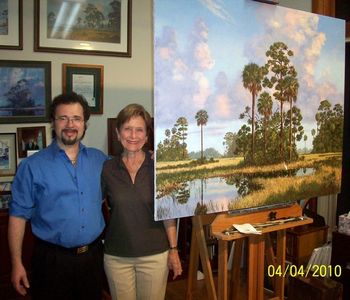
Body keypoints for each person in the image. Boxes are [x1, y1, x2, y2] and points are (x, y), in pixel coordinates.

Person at [8, 92, 108, 300]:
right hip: (52, 262)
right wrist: (17, 263)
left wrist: (147, 156)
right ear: (53, 123)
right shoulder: (32, 167)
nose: (70, 124)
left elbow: (127, 171)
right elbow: (17, 217)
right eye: (63, 118)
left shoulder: (100, 161)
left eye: (77, 118)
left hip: (93, 258)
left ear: (85, 124)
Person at [102, 103, 182, 300]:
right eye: (127, 129)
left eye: (139, 130)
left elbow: (168, 214)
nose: (133, 135)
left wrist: (174, 250)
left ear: (147, 136)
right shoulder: (107, 168)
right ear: (118, 133)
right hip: (116, 257)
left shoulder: (158, 167)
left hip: (154, 256)